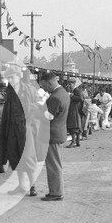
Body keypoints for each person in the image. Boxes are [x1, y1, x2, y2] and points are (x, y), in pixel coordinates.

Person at [0, 64, 40, 196]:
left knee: (28, 156)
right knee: (14, 155)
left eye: (12, 76)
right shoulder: (9, 92)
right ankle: (22, 186)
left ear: (19, 76)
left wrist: (31, 117)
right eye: (8, 77)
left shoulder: (29, 89)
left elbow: (40, 107)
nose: (10, 79)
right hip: (12, 127)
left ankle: (33, 186)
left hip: (25, 127)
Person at [39, 71, 69, 201]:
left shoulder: (54, 98)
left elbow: (48, 117)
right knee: (55, 163)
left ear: (50, 83)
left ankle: (56, 193)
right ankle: (56, 191)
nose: (43, 88)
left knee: (53, 165)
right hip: (59, 132)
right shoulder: (64, 93)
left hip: (52, 135)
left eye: (44, 85)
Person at [66, 82, 83, 147]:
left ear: (73, 84)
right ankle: (77, 141)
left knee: (73, 126)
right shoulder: (75, 90)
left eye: (70, 84)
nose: (69, 86)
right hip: (74, 110)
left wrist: (72, 96)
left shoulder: (77, 90)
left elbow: (80, 98)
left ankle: (73, 142)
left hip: (74, 111)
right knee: (76, 127)